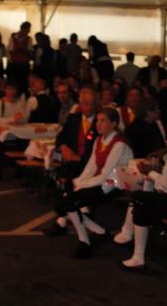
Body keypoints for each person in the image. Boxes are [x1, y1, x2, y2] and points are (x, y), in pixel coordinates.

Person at [51, 107, 133, 258]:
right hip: (103, 181)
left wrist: (81, 185)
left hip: (115, 184)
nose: (98, 124)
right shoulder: (99, 140)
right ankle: (94, 235)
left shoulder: (119, 144)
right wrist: (78, 182)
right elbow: (91, 167)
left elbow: (106, 176)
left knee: (71, 201)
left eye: (103, 121)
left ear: (114, 124)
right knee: (70, 197)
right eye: (98, 121)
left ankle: (88, 239)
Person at [118, 114, 167, 271]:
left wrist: (150, 173)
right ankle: (129, 235)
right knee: (146, 197)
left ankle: (137, 257)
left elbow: (166, 187)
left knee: (140, 199)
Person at [44, 87, 99, 236]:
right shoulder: (73, 118)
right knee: (64, 178)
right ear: (80, 104)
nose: (89, 107)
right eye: (86, 104)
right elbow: (60, 138)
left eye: (92, 104)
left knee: (70, 181)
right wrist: (64, 147)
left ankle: (64, 220)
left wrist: (79, 158)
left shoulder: (101, 121)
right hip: (73, 164)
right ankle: (69, 218)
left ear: (96, 104)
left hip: (93, 165)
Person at [7, 21, 32, 92]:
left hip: (24, 64)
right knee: (14, 83)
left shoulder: (29, 39)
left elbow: (30, 52)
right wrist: (17, 50)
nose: (29, 31)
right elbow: (9, 51)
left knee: (23, 84)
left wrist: (24, 50)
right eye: (28, 29)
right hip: (14, 64)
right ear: (23, 29)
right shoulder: (12, 38)